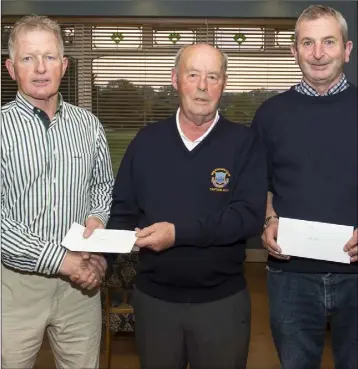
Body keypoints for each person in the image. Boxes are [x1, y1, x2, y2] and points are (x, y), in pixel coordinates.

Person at [107, 43, 267, 369]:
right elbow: (122, 212)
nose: (202, 86)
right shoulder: (146, 142)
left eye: (212, 76)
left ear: (224, 83)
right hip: (155, 304)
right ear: (175, 79)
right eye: (193, 74)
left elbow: (248, 217)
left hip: (222, 304)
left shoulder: (244, 143)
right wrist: (97, 258)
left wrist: (177, 234)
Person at [1, 15, 114, 369]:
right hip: (15, 286)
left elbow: (102, 186)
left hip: (80, 287)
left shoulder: (88, 125)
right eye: (28, 58)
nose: (40, 68)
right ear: (10, 67)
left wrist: (96, 221)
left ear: (64, 65)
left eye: (49, 57)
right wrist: (62, 261)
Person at [251, 5, 357, 369]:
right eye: (307, 43)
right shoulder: (270, 114)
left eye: (329, 41)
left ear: (347, 49)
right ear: (294, 51)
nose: (318, 53)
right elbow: (260, 185)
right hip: (290, 278)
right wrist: (268, 221)